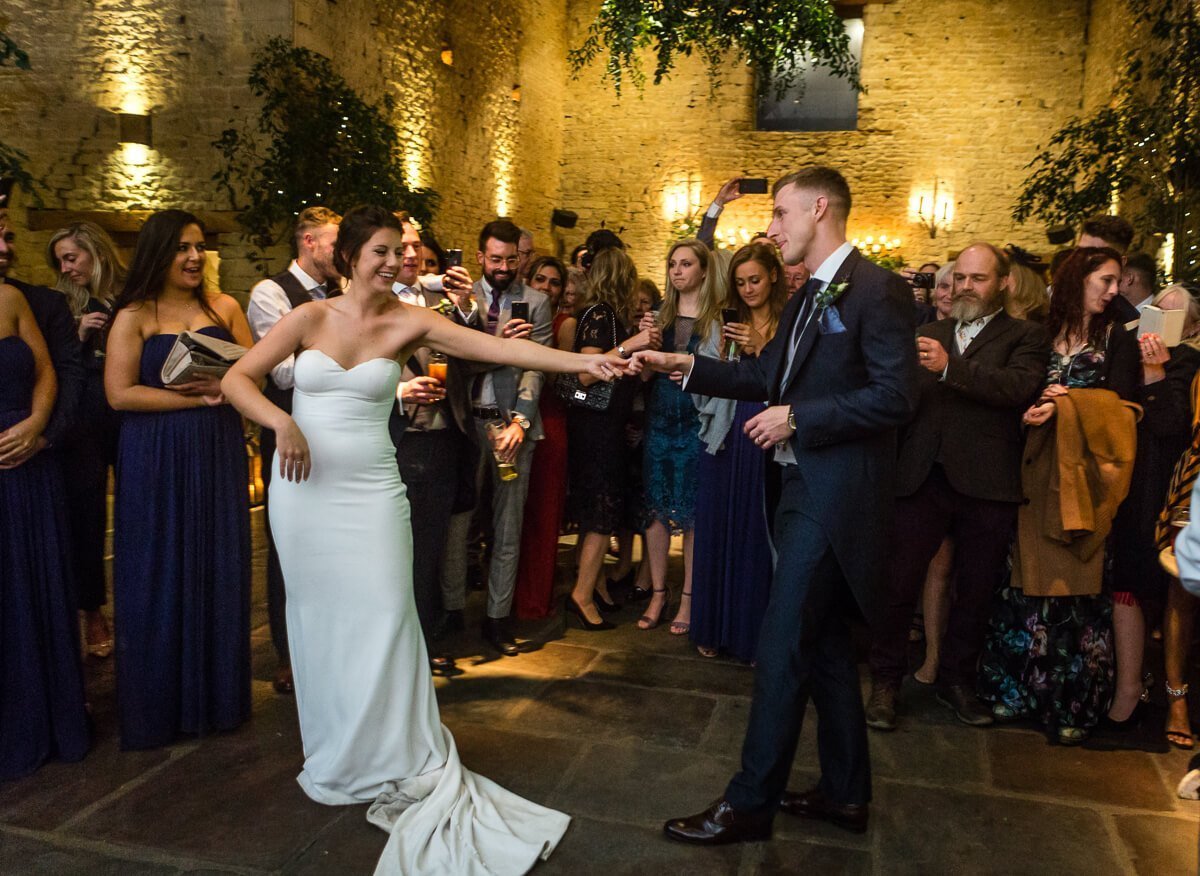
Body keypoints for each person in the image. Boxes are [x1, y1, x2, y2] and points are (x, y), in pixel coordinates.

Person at [221, 205, 628, 873]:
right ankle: (340, 747)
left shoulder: (411, 319)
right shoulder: (309, 317)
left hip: (373, 493)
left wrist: (589, 363)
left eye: (399, 251)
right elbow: (240, 377)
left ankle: (394, 750)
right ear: (351, 254)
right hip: (305, 494)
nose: (393, 261)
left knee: (387, 613)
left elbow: (504, 347)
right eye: (381, 250)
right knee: (320, 621)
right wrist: (281, 423)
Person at [634, 166, 919, 844]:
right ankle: (847, 794)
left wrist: (800, 420)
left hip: (836, 494)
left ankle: (749, 803)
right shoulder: (806, 296)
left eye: (783, 214)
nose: (771, 228)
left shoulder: (877, 291)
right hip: (797, 490)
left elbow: (897, 396)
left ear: (820, 209)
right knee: (818, 646)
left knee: (783, 639)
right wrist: (686, 368)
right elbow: (766, 375)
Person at [865, 243, 1048, 731]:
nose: (966, 287)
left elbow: (1015, 389)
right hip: (922, 476)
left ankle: (957, 682)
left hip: (987, 481)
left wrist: (949, 366)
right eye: (961, 278)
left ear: (1003, 283)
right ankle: (885, 682)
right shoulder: (926, 332)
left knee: (975, 591)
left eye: (978, 279)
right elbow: (899, 401)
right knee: (899, 583)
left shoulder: (1026, 336)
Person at [104, 209, 255, 750]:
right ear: (158, 253)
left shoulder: (225, 307)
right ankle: (158, 705)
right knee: (159, 566)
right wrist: (192, 397)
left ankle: (218, 699)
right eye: (182, 248)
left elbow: (252, 369)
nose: (195, 257)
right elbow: (119, 393)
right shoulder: (135, 315)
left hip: (216, 449)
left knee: (217, 562)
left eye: (199, 247)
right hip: (156, 455)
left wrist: (229, 389)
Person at [978, 247, 1141, 745]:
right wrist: (1030, 411)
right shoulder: (1036, 329)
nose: (1116, 291)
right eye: (1107, 280)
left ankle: (1071, 702)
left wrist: (1068, 406)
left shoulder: (1117, 338)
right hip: (1031, 468)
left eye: (1117, 283)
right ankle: (1018, 691)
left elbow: (1128, 410)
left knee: (1078, 587)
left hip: (1083, 477)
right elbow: (1016, 387)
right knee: (1022, 581)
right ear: (1078, 279)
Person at [246, 205, 343, 695]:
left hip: (340, 433)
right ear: (308, 242)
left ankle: (330, 643)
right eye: (333, 243)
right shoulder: (272, 293)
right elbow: (280, 371)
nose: (340, 252)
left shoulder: (344, 293)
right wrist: (340, 347)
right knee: (291, 545)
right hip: (289, 430)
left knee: (334, 544)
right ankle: (289, 652)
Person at [0, 279, 89, 781]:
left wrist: (36, 425)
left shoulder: (10, 298)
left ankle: (50, 718)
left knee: (36, 588)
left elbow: (46, 371)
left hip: (30, 466)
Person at [690, 243, 788, 661]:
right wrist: (727, 358)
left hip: (767, 432)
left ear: (773, 278)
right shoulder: (720, 320)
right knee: (717, 526)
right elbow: (703, 376)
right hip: (724, 430)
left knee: (755, 531)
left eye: (755, 280)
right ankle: (712, 626)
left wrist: (761, 345)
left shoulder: (789, 322)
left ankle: (752, 636)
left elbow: (794, 379)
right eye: (741, 282)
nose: (748, 289)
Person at [1108, 283, 1200, 732]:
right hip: (1126, 478)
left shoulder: (1188, 363)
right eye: (1157, 310)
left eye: (1175, 314)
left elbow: (1171, 425)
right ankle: (1127, 682)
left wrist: (1157, 374)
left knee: (1170, 587)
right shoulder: (1124, 348)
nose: (1161, 320)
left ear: (1193, 326)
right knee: (1126, 576)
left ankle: (1172, 692)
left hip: (1168, 487)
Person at [460, 219, 554, 655]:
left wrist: (521, 421)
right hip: (464, 425)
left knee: (507, 527)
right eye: (495, 259)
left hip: (511, 429)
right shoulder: (461, 299)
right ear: (481, 257)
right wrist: (496, 343)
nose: (502, 266)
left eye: (510, 259)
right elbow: (456, 359)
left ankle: (497, 617)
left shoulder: (534, 302)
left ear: (519, 258)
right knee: (458, 524)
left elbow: (537, 364)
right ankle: (452, 609)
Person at [390, 213, 475, 674]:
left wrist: (463, 308)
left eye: (416, 245)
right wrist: (401, 393)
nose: (410, 254)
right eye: (400, 246)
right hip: (399, 439)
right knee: (393, 552)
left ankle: (423, 641)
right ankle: (396, 650)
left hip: (443, 439)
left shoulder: (437, 297)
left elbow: (472, 355)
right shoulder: (369, 300)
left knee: (430, 549)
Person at [564, 248, 661, 629]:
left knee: (600, 510)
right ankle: (582, 594)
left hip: (609, 425)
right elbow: (587, 374)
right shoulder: (599, 313)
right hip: (595, 427)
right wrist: (633, 345)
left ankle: (597, 587)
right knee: (602, 512)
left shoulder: (614, 317)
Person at [46, 221, 126, 659]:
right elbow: (51, 368)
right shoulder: (60, 303)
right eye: (60, 260)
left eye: (71, 257)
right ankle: (93, 610)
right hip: (83, 420)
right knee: (87, 516)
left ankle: (138, 603)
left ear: (95, 251)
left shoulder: (133, 294)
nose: (65, 267)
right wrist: (77, 334)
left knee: (138, 508)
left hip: (129, 412)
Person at [638, 238, 724, 633]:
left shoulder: (716, 319)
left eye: (686, 264)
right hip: (659, 415)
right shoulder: (658, 315)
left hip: (696, 418)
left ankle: (688, 597)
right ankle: (658, 592)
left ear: (703, 270)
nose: (677, 271)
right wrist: (644, 346)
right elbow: (639, 375)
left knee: (692, 513)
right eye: (672, 263)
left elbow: (725, 375)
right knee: (655, 509)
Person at [514, 255, 572, 619]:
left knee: (541, 514)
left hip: (548, 418)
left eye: (554, 282)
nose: (546, 287)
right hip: (511, 415)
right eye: (540, 279)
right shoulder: (513, 312)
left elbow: (563, 381)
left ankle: (534, 599)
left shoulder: (564, 324)